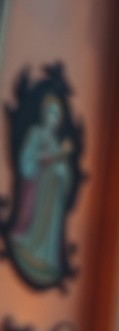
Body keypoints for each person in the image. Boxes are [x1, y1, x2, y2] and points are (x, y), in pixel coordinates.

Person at [11, 94, 73, 283]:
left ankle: (45, 254)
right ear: (44, 114)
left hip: (51, 197)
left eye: (56, 116)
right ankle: (31, 242)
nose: (52, 119)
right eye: (50, 113)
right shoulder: (36, 133)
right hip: (36, 190)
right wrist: (53, 158)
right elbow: (28, 161)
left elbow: (64, 175)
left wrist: (62, 172)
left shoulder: (55, 143)